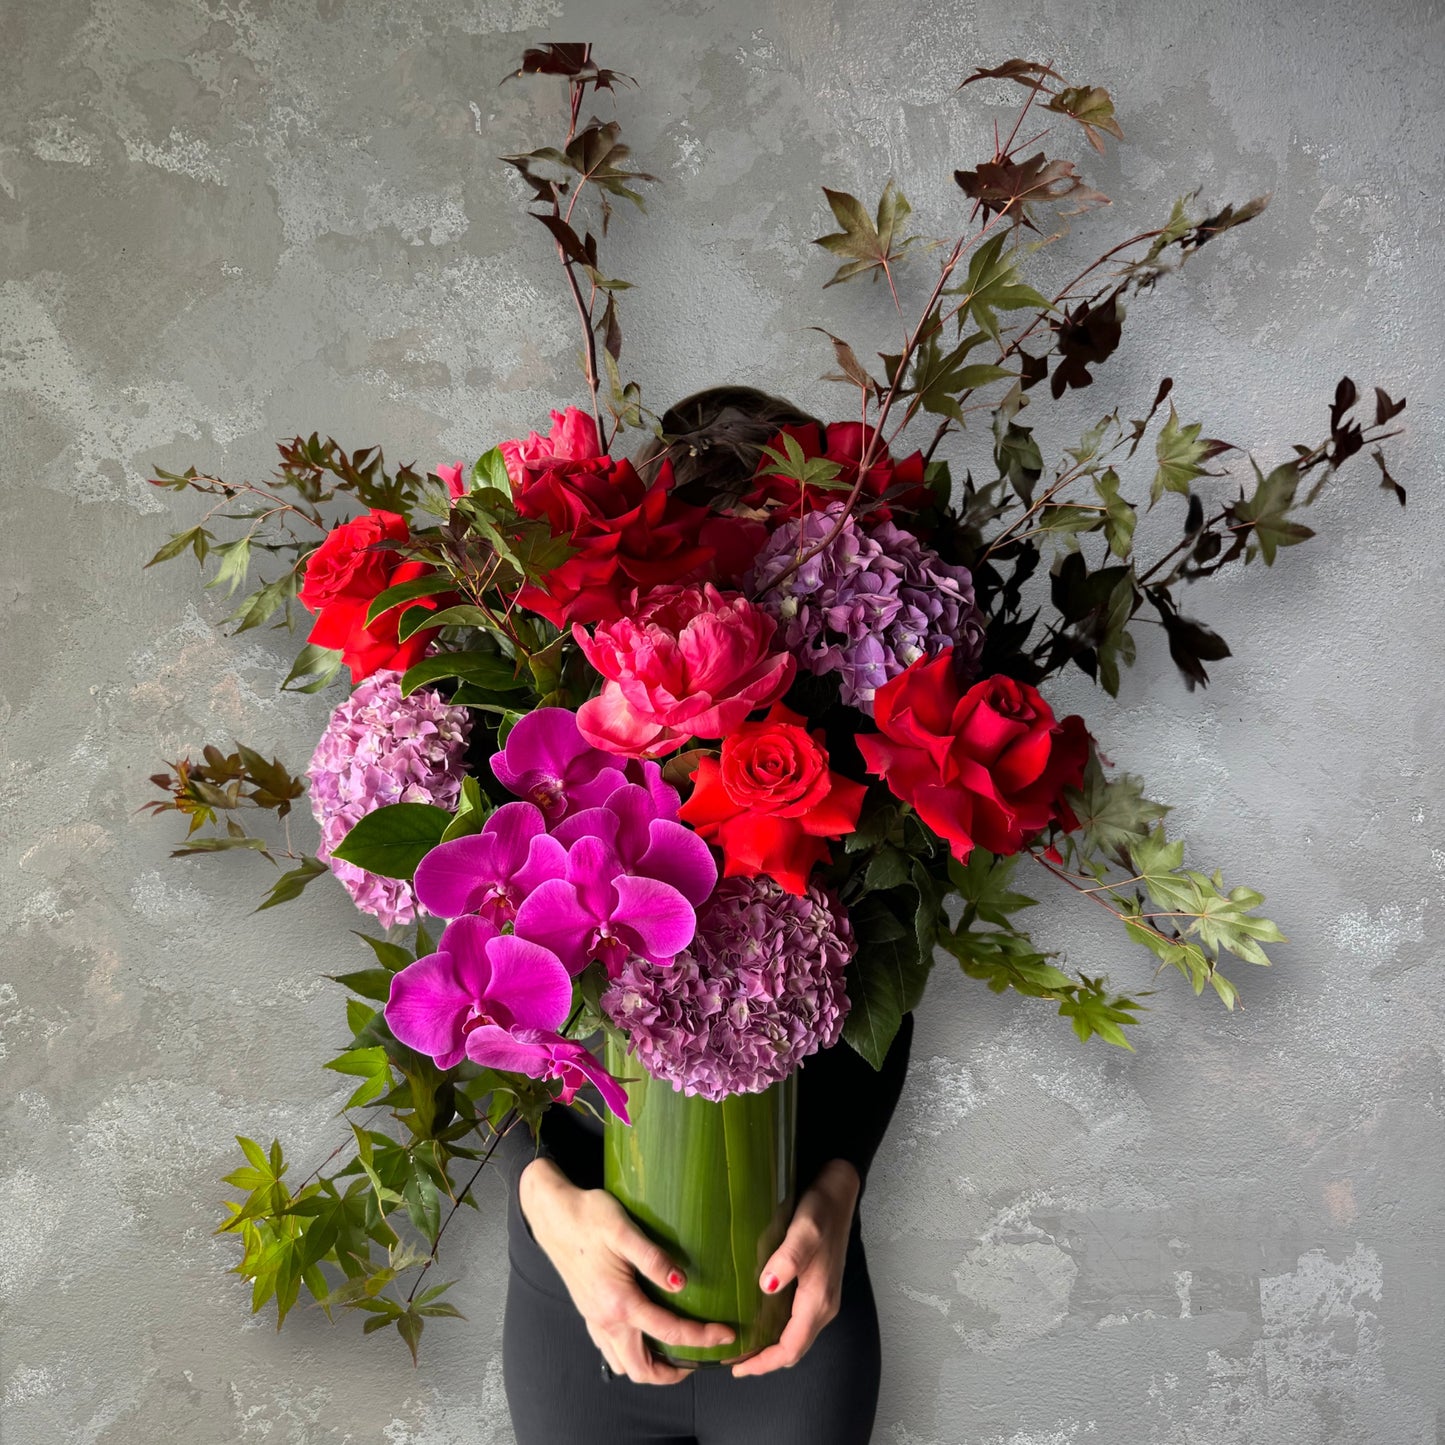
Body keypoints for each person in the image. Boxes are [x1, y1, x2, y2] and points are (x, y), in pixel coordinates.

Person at [495, 388, 916, 1444]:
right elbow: (459, 1004)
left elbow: (892, 996)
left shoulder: (852, 771)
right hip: (578, 1296)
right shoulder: (550, 766)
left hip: (795, 1292)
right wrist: (543, 1195)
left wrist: (838, 1182)